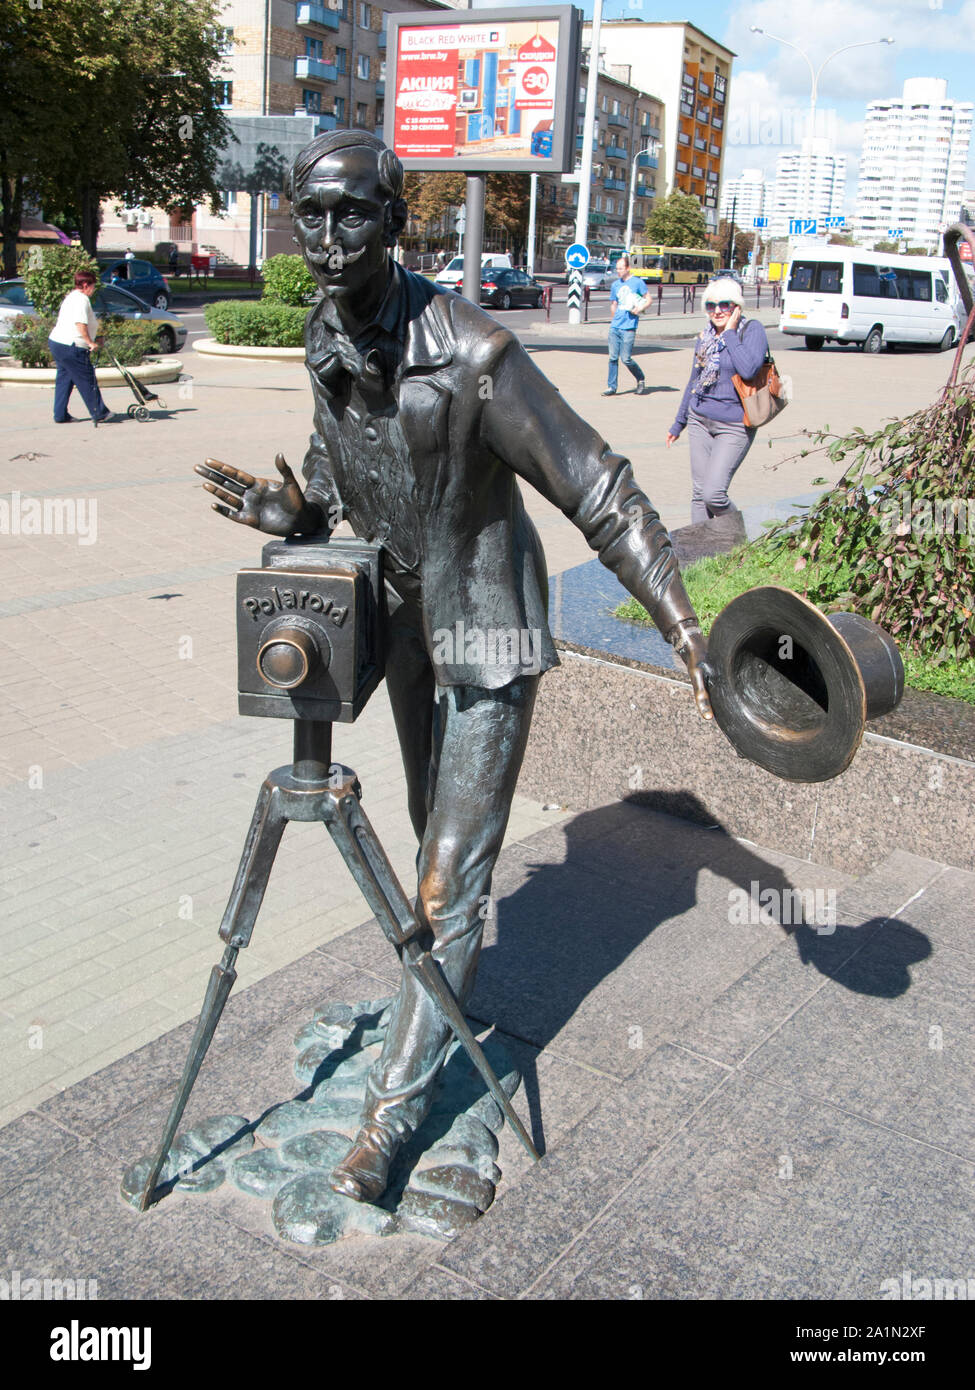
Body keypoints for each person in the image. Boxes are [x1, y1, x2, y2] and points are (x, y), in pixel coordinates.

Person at [195, 131, 712, 1204]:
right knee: (429, 833)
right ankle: (435, 1003)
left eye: (354, 217)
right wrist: (297, 516)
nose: (331, 242)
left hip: (482, 627)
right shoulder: (322, 332)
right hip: (401, 614)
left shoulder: (476, 352)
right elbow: (339, 472)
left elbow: (597, 485)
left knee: (449, 878)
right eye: (313, 216)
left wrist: (679, 616)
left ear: (394, 221)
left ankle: (390, 1124)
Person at [666, 278, 768, 522]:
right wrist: (679, 423)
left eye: (725, 304)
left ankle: (740, 539)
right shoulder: (705, 337)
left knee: (714, 494)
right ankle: (700, 556)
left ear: (737, 307)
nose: (718, 311)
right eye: (711, 306)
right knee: (699, 493)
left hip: (734, 425)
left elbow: (749, 370)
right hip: (699, 419)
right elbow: (694, 380)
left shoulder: (751, 330)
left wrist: (730, 333)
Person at [47, 270, 117, 426]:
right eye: (92, 286)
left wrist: (94, 338)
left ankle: (60, 415)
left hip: (58, 343)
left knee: (64, 379)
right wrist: (90, 342)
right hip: (72, 346)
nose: (93, 289)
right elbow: (80, 324)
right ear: (85, 285)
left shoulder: (71, 297)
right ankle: (99, 413)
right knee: (87, 379)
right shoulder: (81, 300)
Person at [604, 254, 650, 396]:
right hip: (615, 327)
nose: (619, 271)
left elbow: (648, 299)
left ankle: (640, 378)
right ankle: (611, 387)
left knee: (626, 358)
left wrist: (639, 309)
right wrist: (614, 318)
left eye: (621, 268)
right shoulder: (615, 285)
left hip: (629, 327)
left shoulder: (637, 283)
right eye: (617, 268)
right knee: (612, 358)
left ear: (628, 268)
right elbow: (614, 303)